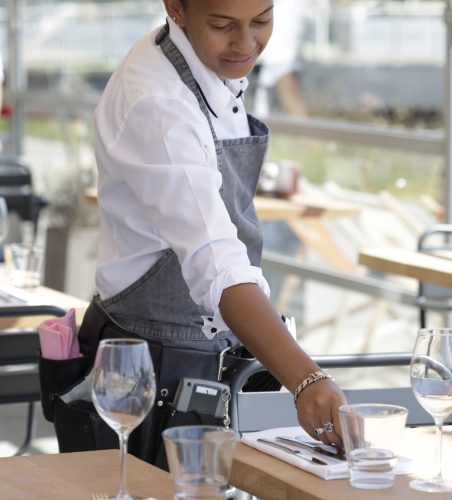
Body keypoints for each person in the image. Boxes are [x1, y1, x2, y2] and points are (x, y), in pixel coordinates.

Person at [90, 0, 346, 463]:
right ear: (176, 8)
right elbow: (216, 261)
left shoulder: (204, 63)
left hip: (213, 352)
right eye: (224, 25)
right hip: (153, 365)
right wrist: (306, 378)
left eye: (262, 21)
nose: (246, 44)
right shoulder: (158, 103)